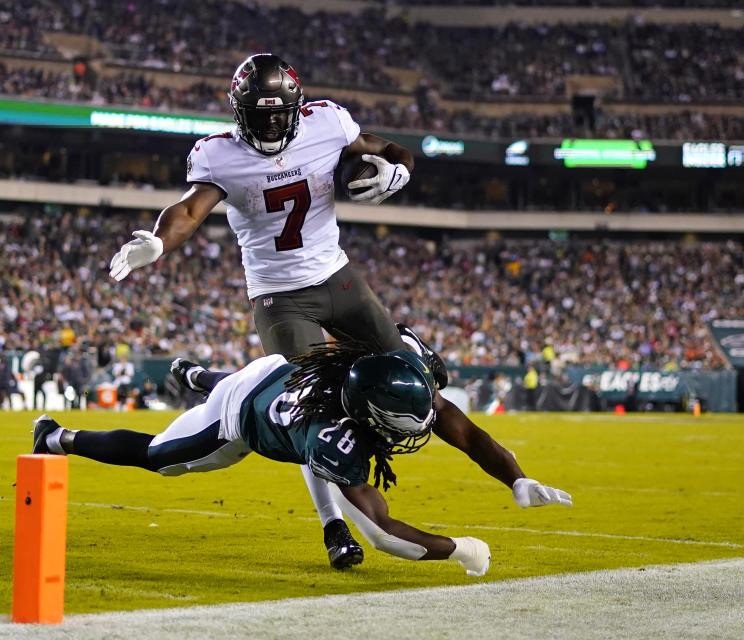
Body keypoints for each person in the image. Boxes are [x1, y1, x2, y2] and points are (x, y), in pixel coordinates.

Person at [108, 53, 416, 569]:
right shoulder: (218, 155)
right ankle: (334, 526)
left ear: (296, 108)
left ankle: (208, 378)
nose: (271, 123)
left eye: (279, 113)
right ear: (238, 111)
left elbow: (390, 148)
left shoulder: (328, 121)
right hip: (279, 295)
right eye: (259, 113)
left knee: (406, 371)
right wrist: (160, 244)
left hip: (337, 277)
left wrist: (398, 171)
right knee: (315, 409)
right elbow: (187, 210)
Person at [30, 342, 571, 575]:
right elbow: (385, 535)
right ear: (373, 415)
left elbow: (471, 436)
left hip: (282, 373)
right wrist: (461, 549)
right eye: (408, 423)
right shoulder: (335, 436)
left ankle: (199, 376)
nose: (426, 424)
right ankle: (58, 436)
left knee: (319, 453)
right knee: (159, 456)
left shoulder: (389, 374)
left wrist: (516, 480)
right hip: (241, 417)